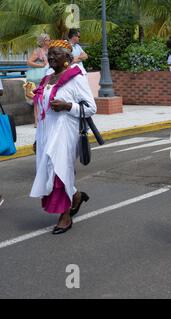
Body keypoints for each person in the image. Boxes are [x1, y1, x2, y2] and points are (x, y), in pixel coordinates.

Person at [30, 40, 96, 234]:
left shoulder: (76, 78)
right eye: (49, 54)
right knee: (49, 171)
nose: (50, 57)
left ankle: (65, 216)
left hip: (66, 132)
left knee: (60, 172)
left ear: (67, 58)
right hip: (45, 132)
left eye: (55, 54)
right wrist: (37, 137)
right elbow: (42, 110)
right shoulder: (47, 77)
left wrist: (68, 106)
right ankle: (76, 196)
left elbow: (91, 108)